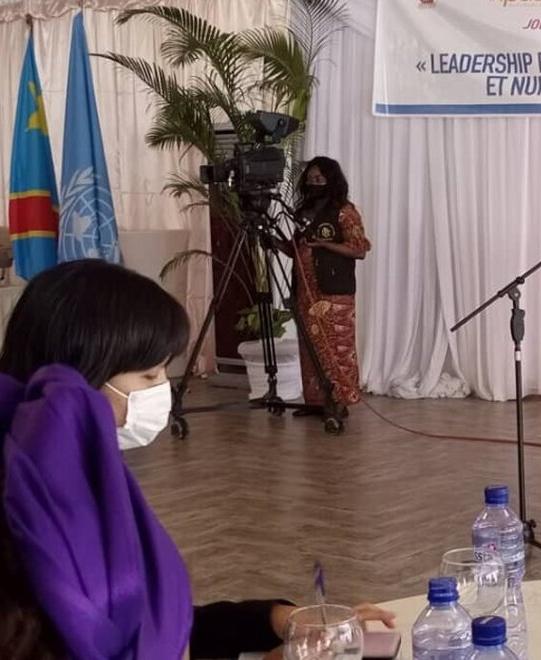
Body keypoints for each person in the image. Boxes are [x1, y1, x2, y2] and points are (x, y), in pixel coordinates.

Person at [0, 260, 393, 659]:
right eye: (149, 376)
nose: (163, 390)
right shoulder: (26, 528)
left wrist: (277, 620)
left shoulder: (79, 485)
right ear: (80, 378)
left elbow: (153, 627)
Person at [291, 157, 371, 416]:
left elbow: (359, 250)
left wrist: (325, 245)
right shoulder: (304, 212)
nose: (314, 183)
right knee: (310, 347)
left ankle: (339, 401)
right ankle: (315, 402)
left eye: (319, 178)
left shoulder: (345, 211)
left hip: (334, 291)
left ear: (332, 180)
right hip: (306, 290)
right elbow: (298, 249)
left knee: (337, 347)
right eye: (310, 179)